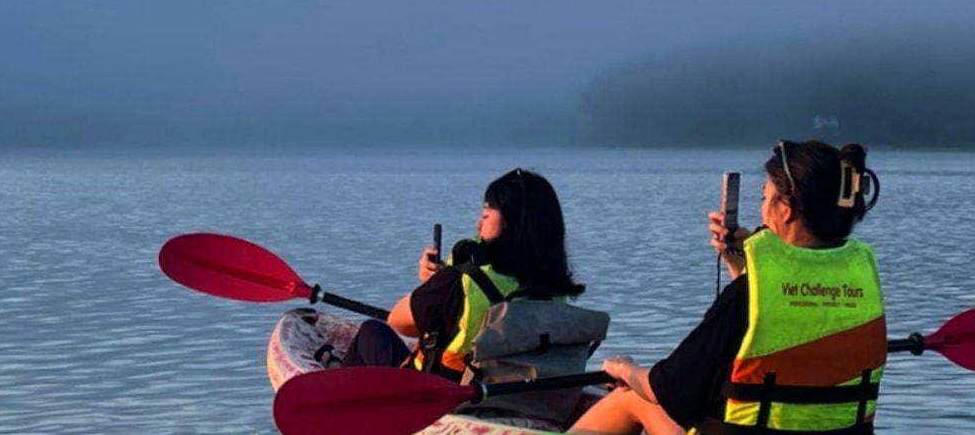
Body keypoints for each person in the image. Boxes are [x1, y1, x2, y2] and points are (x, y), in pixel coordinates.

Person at [568, 140, 885, 435]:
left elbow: (669, 390)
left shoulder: (746, 296)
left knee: (633, 397)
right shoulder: (861, 284)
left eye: (764, 197)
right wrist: (740, 263)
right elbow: (776, 322)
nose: (762, 208)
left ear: (785, 209)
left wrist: (625, 369)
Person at [338, 167, 590, 379]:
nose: (477, 224)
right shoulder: (555, 290)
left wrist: (435, 285)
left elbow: (399, 321)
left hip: (446, 395)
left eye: (485, 214)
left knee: (372, 333)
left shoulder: (461, 280)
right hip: (516, 395)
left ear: (512, 223)